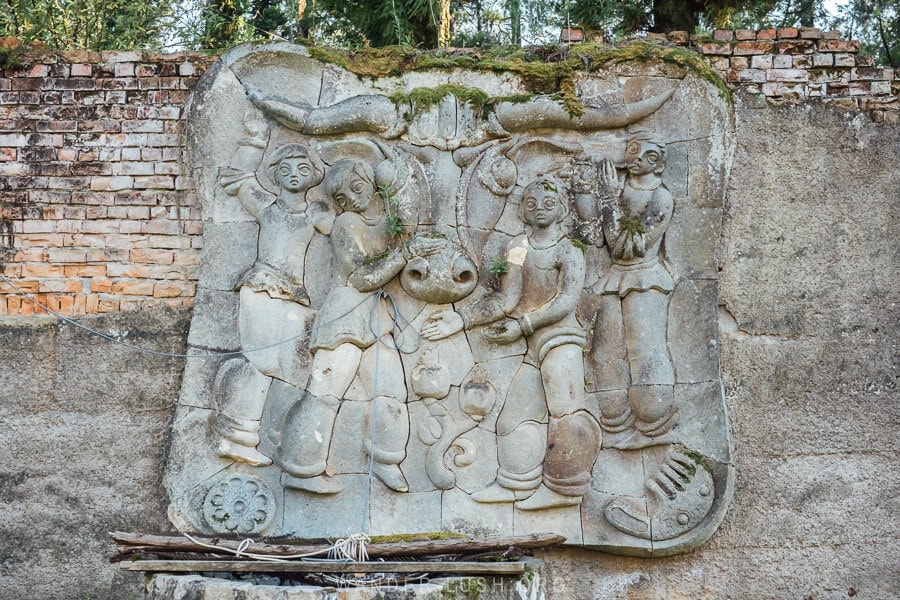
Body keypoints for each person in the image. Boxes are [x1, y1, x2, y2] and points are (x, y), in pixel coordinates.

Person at [422, 176, 600, 510]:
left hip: (562, 339)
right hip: (533, 343)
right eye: (531, 204)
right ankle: (518, 482)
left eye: (549, 203)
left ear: (562, 209)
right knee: (515, 416)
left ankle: (566, 488)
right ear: (523, 211)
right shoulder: (519, 246)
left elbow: (566, 300)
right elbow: (508, 298)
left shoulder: (569, 249)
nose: (540, 210)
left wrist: (524, 325)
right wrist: (460, 320)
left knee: (566, 411)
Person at [275, 158, 442, 494]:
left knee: (391, 392)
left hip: (376, 319)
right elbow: (361, 277)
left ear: (372, 185)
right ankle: (299, 466)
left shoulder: (383, 220)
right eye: (340, 196)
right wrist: (405, 253)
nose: (350, 199)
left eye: (357, 187)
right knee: (324, 394)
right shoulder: (345, 223)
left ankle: (385, 458)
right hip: (345, 316)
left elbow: (404, 231)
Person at [212, 139, 334, 466]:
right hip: (262, 287)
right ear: (276, 176)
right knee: (259, 363)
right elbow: (236, 176)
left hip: (293, 297)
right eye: (286, 168)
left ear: (314, 176)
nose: (294, 174)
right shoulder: (267, 206)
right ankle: (236, 436)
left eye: (303, 168)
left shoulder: (315, 212)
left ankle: (278, 437)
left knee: (294, 368)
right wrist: (252, 139)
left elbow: (345, 229)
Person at [590, 133, 677, 449]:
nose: (636, 158)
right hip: (614, 279)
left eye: (646, 154)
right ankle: (616, 428)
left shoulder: (661, 199)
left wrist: (609, 200)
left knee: (645, 351)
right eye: (632, 151)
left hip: (645, 278)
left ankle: (653, 428)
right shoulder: (622, 189)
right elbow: (604, 242)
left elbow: (626, 247)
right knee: (605, 353)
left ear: (658, 163)